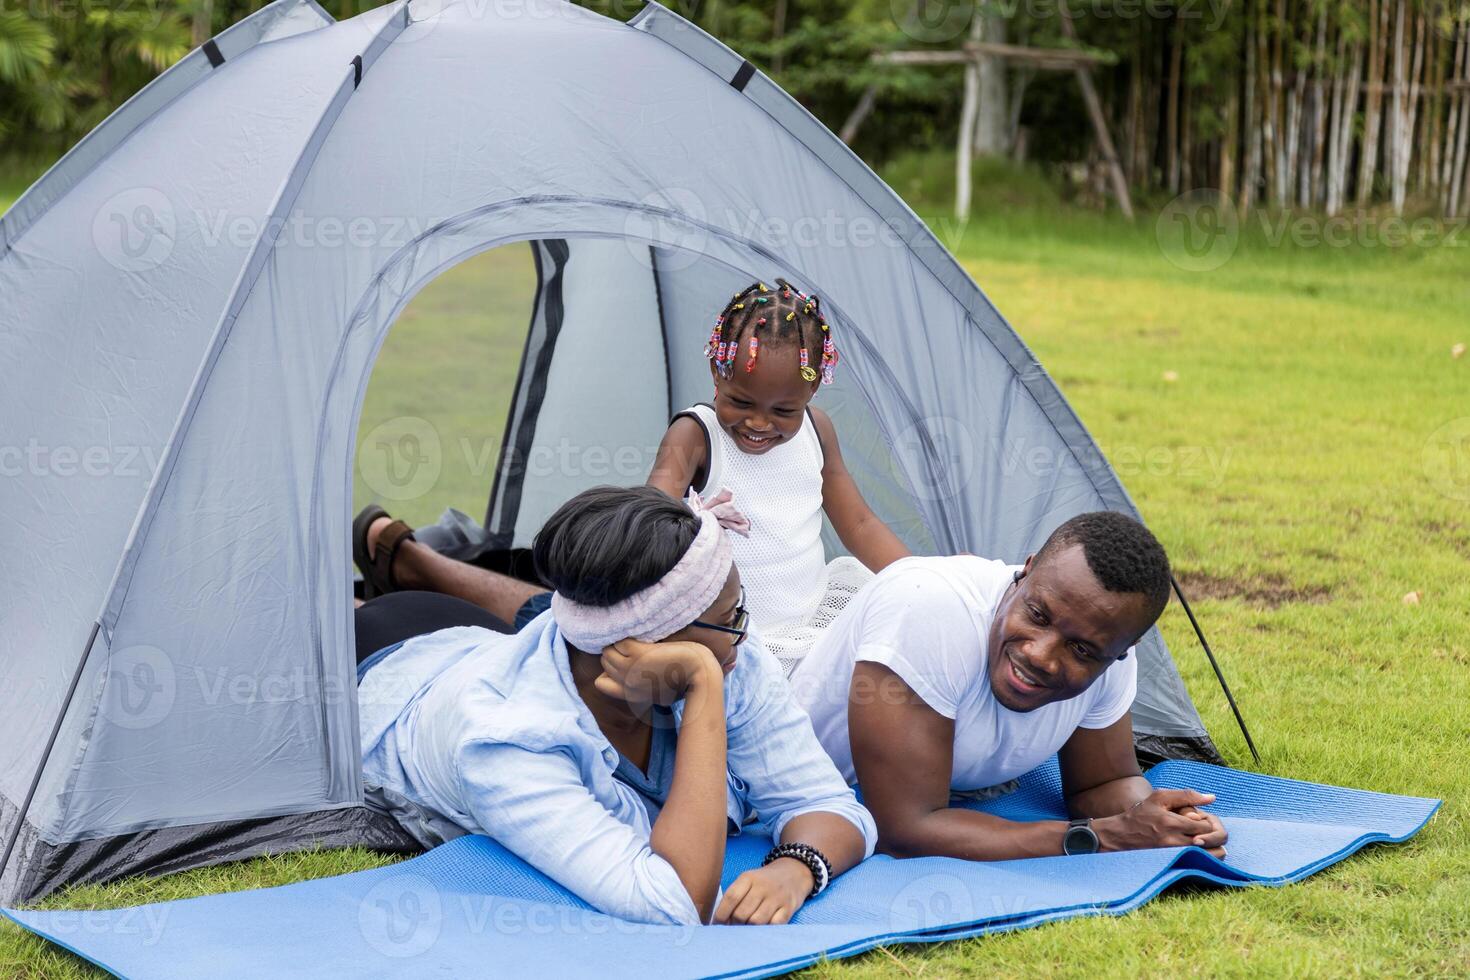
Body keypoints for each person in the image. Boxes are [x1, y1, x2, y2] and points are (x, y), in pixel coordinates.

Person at [352, 486, 876, 926]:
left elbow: (828, 801)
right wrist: (702, 686)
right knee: (343, 616)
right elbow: (678, 900)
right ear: (643, 645)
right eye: (727, 620)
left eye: (738, 610)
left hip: (481, 646)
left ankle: (412, 561)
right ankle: (393, 570)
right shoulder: (505, 742)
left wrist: (798, 866)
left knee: (534, 613)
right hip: (383, 662)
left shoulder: (730, 643)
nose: (745, 632)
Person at [787, 511, 1231, 862]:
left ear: (1123, 648)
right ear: (1027, 570)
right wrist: (1098, 838)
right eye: (1037, 615)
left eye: (1080, 649)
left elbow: (1102, 784)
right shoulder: (929, 610)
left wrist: (1167, 820)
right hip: (769, 784)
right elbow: (905, 830)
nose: (1040, 654)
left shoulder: (1112, 653)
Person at [647, 279, 911, 670]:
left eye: (783, 411)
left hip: (811, 624)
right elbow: (649, 517)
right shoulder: (696, 436)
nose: (758, 422)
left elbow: (859, 524)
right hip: (729, 637)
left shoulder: (817, 431)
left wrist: (920, 578)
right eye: (740, 401)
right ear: (717, 371)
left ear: (814, 388)